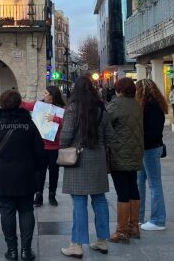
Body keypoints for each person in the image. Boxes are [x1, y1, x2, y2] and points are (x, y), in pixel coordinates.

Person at [0, 90, 45, 261]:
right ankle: (25, 250)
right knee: (26, 210)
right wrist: (37, 170)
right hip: (25, 174)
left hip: (2, 176)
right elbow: (40, 153)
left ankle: (11, 250)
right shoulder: (29, 125)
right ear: (20, 104)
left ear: (1, 104)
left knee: (7, 212)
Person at [59, 76, 114, 258]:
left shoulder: (73, 108)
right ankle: (102, 240)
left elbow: (66, 136)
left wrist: (63, 146)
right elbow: (110, 136)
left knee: (79, 202)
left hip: (79, 159)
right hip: (97, 159)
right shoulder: (100, 108)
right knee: (99, 200)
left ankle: (77, 244)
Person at [107, 78, 144, 244]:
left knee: (122, 191)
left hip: (119, 153)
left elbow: (105, 122)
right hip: (135, 153)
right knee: (132, 187)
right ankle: (134, 226)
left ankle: (121, 231)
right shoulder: (137, 105)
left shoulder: (116, 104)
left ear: (119, 90)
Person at [20, 86, 65, 207]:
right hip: (41, 145)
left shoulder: (61, 108)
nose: (44, 94)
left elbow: (68, 121)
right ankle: (38, 195)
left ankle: (52, 194)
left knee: (54, 172)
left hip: (55, 146)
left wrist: (54, 118)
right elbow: (24, 105)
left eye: (46, 93)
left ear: (52, 95)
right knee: (40, 172)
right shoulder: (39, 105)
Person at [135, 79, 168, 232]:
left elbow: (152, 132)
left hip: (149, 149)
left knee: (154, 184)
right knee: (140, 182)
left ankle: (158, 220)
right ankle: (139, 218)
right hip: (148, 148)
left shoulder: (150, 106)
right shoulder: (156, 105)